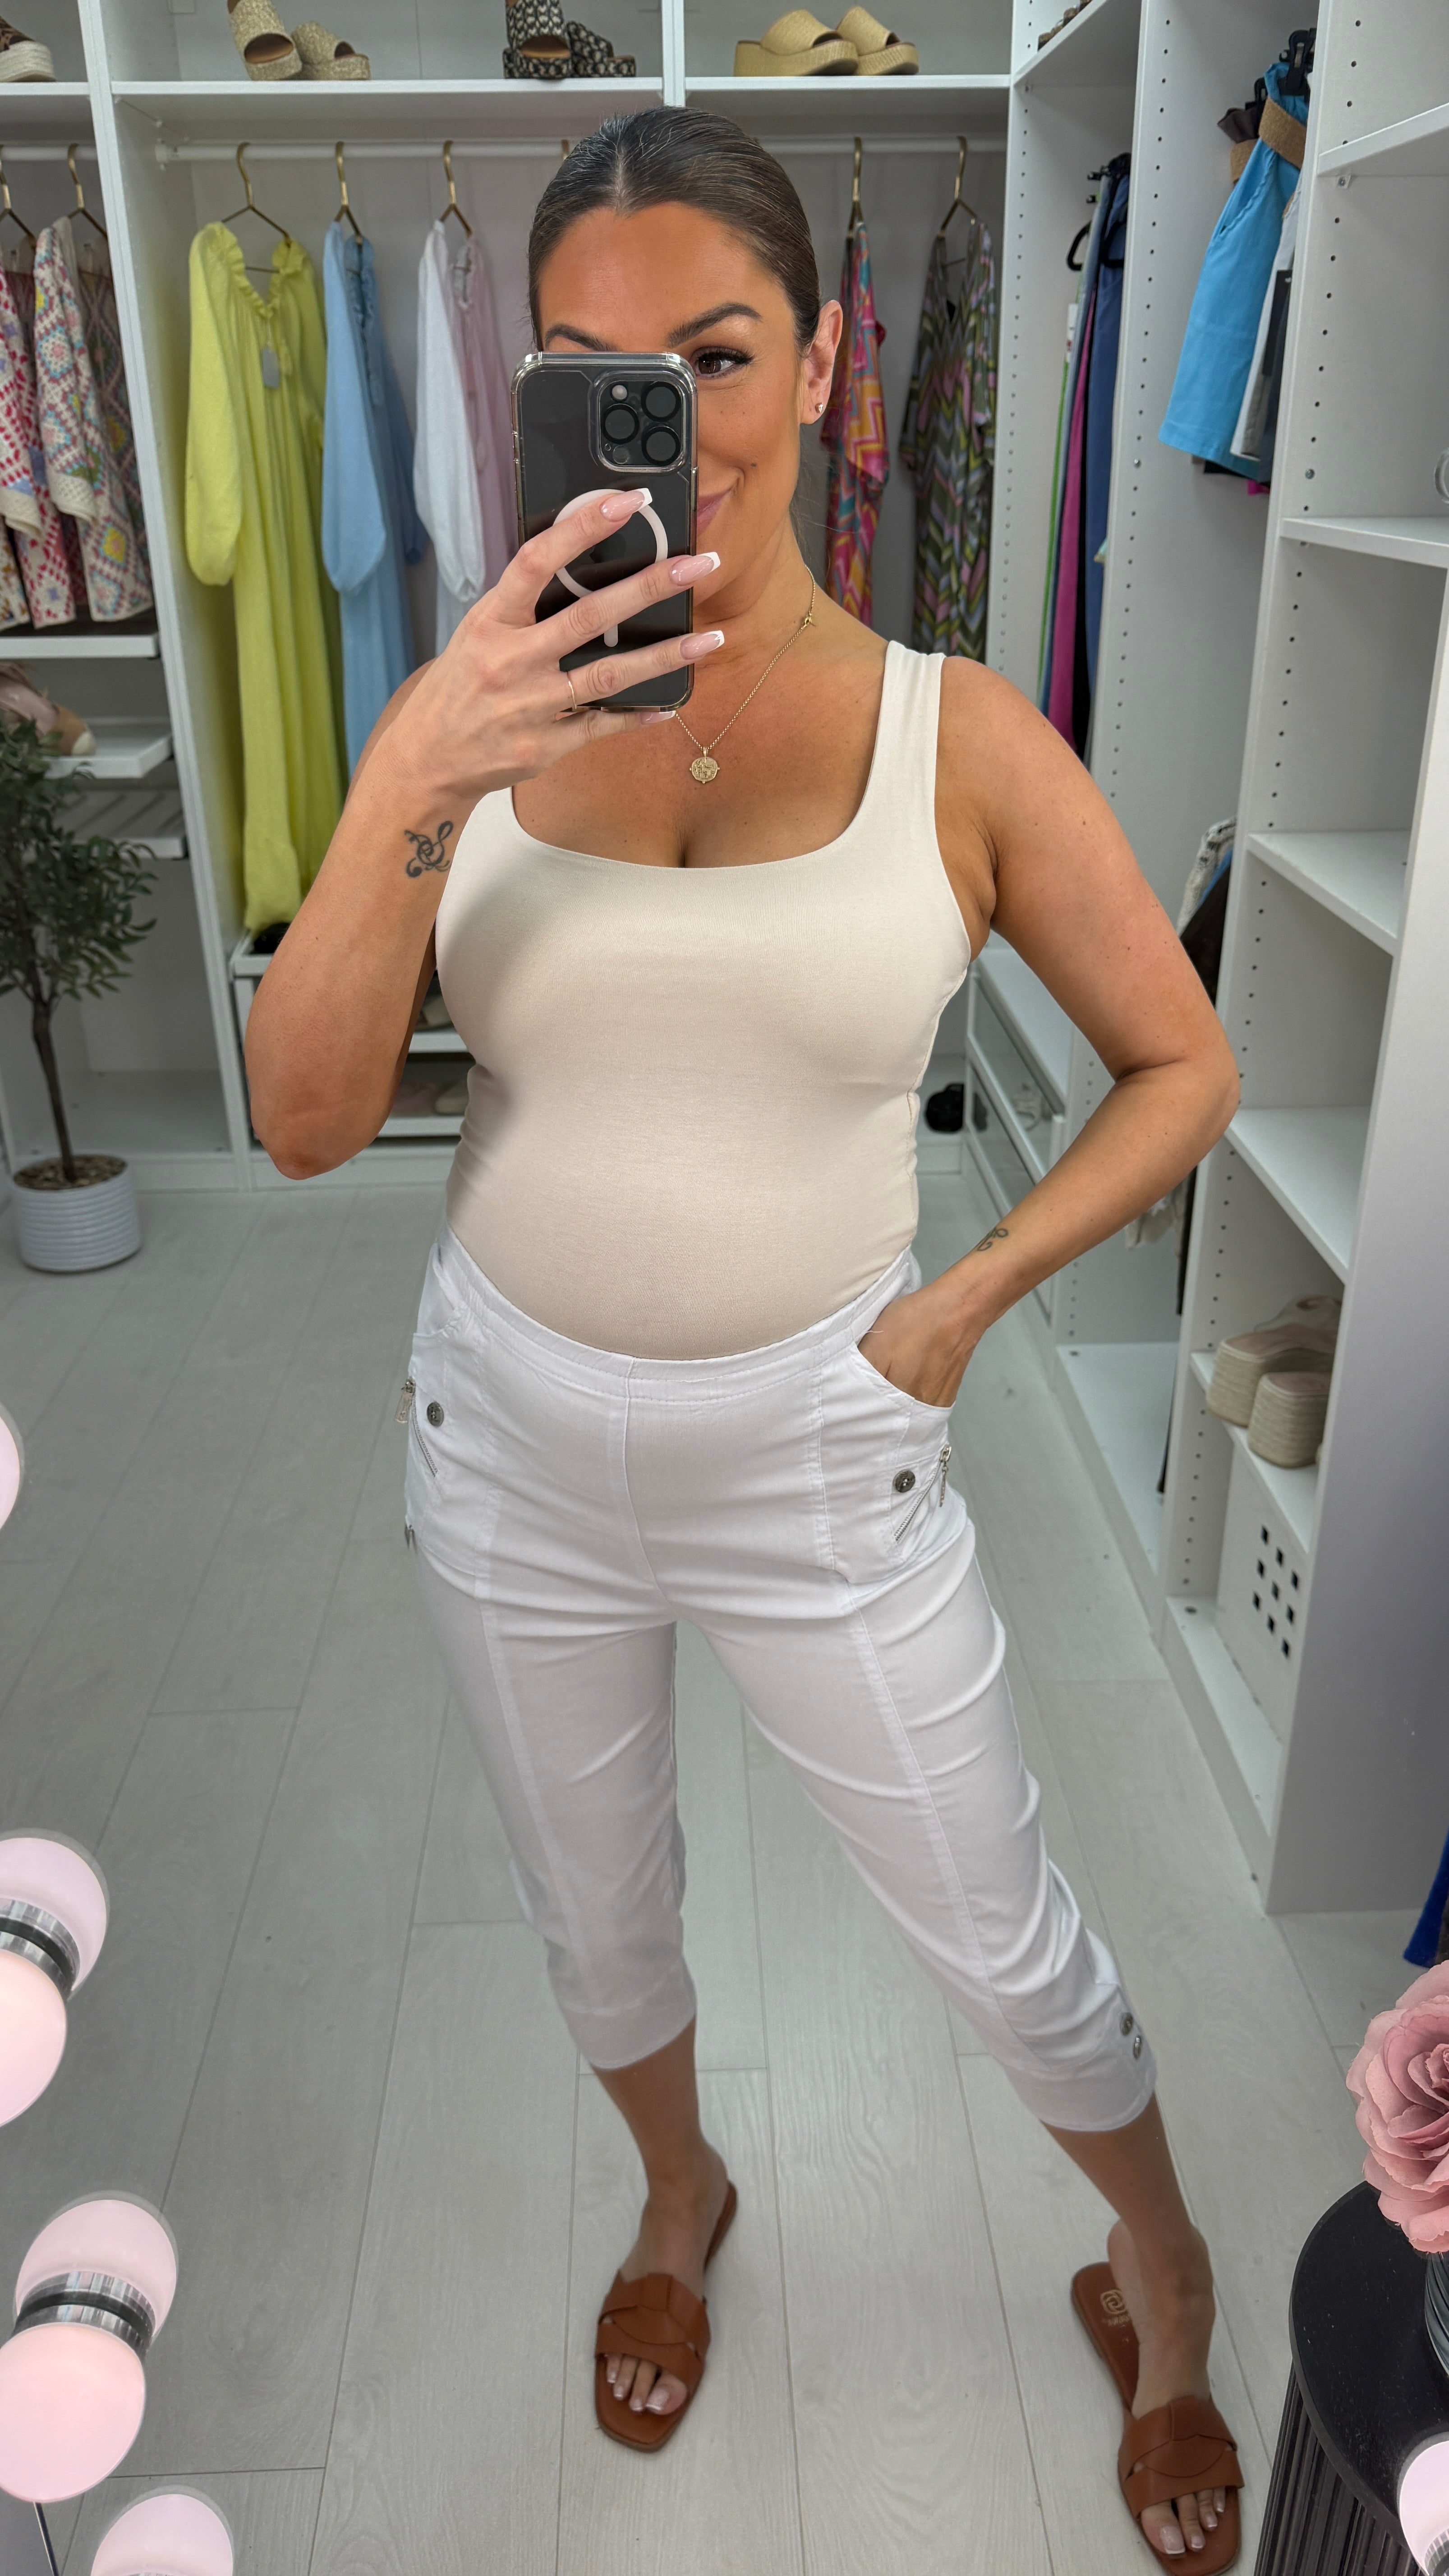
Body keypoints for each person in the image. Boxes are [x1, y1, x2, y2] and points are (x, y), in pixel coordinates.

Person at [245, 108, 1243, 2568]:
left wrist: (965, 1301)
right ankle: (678, 2201)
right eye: (588, 370)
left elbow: (1184, 1066)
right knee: (596, 1912)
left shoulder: (955, 735)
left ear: (815, 362)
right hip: (506, 1429)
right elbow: (301, 1125)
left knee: (1002, 1928)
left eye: (710, 354)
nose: (660, 421)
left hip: (826, 1437)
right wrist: (421, 762)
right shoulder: (463, 723)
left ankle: (1170, 2271)